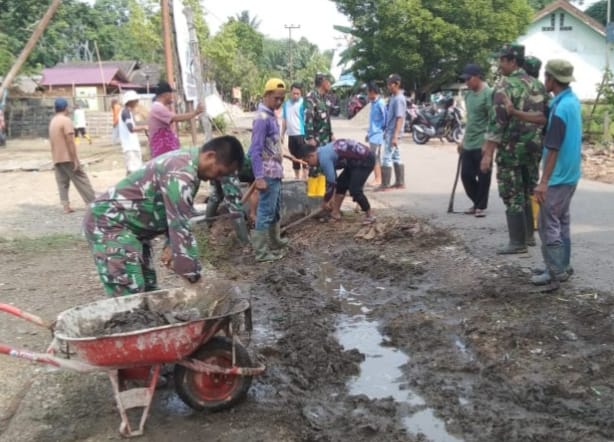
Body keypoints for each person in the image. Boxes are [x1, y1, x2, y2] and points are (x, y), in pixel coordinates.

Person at [83, 135, 245, 297]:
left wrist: (170, 244)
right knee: (129, 294)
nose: (217, 178)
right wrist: (194, 280)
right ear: (210, 156)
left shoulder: (190, 168)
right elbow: (181, 228)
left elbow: (173, 211)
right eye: (219, 172)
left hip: (133, 230)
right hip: (108, 224)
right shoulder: (181, 173)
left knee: (148, 288)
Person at [481, 44, 545, 254]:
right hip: (534, 148)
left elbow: (497, 122)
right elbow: (545, 117)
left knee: (512, 192)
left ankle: (517, 242)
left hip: (511, 148)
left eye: (502, 60)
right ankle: (529, 237)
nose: (500, 64)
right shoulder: (538, 84)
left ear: (512, 61)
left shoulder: (505, 85)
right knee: (529, 189)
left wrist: (488, 153)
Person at [530, 60, 581, 291]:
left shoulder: (560, 109)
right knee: (562, 220)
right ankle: (563, 265)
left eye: (546, 77)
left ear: (550, 79)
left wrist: (543, 182)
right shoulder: (571, 101)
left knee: (547, 222)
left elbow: (553, 148)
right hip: (571, 173)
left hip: (559, 174)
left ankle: (555, 271)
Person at [249, 78, 288, 263]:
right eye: (275, 98)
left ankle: (275, 241)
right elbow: (255, 151)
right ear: (266, 95)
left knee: (275, 210)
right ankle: (262, 252)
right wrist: (259, 177)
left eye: (281, 99)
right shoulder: (262, 119)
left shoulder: (272, 115)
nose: (279, 102)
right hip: (267, 173)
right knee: (265, 212)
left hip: (276, 171)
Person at [301, 139, 376, 225]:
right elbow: (334, 179)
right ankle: (335, 213)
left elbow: (332, 182)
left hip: (365, 160)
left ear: (311, 155)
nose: (308, 164)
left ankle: (370, 215)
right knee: (341, 185)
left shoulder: (324, 158)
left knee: (355, 190)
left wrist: (326, 201)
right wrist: (329, 198)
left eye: (307, 161)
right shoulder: (321, 151)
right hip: (353, 162)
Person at [48, 98, 96, 213]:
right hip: (67, 157)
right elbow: (70, 141)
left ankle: (65, 206)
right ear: (65, 108)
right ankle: (93, 203)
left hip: (57, 157)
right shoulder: (66, 121)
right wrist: (75, 159)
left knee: (62, 182)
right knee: (81, 179)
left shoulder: (53, 121)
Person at [458, 63, 493, 218]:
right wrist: (463, 139)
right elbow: (470, 119)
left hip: (483, 141)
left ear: (478, 76)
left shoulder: (489, 93)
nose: (467, 82)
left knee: (483, 174)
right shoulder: (468, 95)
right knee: (466, 175)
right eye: (465, 79)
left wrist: (488, 143)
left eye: (469, 79)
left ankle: (480, 206)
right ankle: (476, 201)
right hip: (469, 141)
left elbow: (493, 120)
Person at [147, 81, 203, 158]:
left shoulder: (158, 107)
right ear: (165, 94)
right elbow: (176, 118)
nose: (172, 96)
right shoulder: (158, 108)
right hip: (163, 152)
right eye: (171, 94)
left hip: (164, 150)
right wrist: (195, 113)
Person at [378, 74, 406, 191]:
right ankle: (400, 182)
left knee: (386, 157)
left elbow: (400, 118)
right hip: (390, 131)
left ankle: (385, 185)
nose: (388, 86)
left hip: (394, 132)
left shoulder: (399, 99)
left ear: (396, 84)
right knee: (396, 156)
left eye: (390, 84)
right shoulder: (394, 97)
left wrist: (395, 136)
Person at [281, 83, 307, 179]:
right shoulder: (286, 104)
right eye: (294, 93)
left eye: (298, 93)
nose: (295, 95)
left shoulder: (304, 103)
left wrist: (308, 136)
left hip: (301, 134)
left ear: (301, 94)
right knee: (294, 158)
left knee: (304, 157)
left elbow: (307, 120)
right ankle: (297, 178)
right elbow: (284, 120)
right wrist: (282, 134)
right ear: (290, 93)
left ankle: (305, 178)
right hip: (291, 136)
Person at [119, 90, 147, 175]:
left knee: (131, 171)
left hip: (131, 146)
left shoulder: (127, 112)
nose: (137, 102)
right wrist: (144, 127)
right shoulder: (126, 113)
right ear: (130, 101)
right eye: (136, 100)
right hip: (130, 147)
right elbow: (131, 129)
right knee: (134, 172)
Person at [304, 72, 334, 147]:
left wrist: (331, 135)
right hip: (316, 142)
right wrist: (310, 138)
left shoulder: (324, 98)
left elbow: (326, 120)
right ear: (323, 82)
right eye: (329, 81)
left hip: (326, 141)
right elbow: (308, 117)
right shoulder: (311, 97)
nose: (330, 84)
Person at [366, 81, 386, 186]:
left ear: (373, 92)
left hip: (377, 135)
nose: (367, 95)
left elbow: (385, 118)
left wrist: (382, 131)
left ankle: (378, 179)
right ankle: (377, 177)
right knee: (373, 157)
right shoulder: (373, 103)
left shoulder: (380, 103)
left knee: (375, 158)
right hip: (372, 135)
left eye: (368, 92)